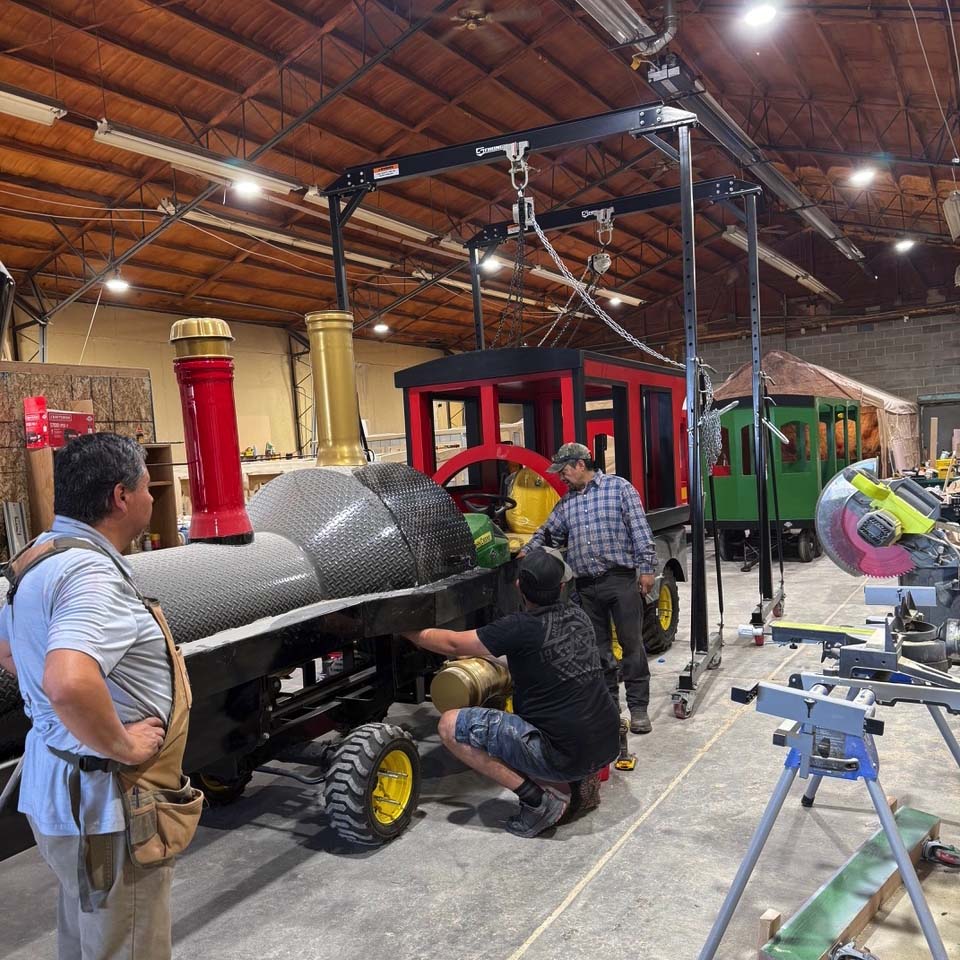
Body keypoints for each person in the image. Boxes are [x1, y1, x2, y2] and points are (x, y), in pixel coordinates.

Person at [0, 433, 200, 960]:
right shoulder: (90, 572)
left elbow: (7, 651)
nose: (153, 498)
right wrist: (123, 746)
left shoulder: (38, 556)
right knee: (126, 943)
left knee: (90, 936)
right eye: (147, 488)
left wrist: (62, 721)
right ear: (120, 497)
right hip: (107, 808)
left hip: (61, 796)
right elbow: (68, 680)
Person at [404, 546, 620, 838]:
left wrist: (402, 628)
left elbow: (452, 644)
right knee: (572, 710)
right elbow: (532, 658)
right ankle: (582, 782)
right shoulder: (577, 616)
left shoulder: (520, 626)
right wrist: (487, 654)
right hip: (606, 744)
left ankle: (537, 802)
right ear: (561, 586)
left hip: (565, 755)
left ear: (519, 585)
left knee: (450, 725)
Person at [525, 442, 658, 735]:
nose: (561, 477)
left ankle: (638, 709)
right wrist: (526, 553)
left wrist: (646, 568)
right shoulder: (566, 503)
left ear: (580, 465)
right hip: (585, 587)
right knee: (597, 652)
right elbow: (548, 533)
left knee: (632, 645)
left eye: (563, 470)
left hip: (620, 580)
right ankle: (611, 709)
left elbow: (639, 529)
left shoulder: (619, 489)